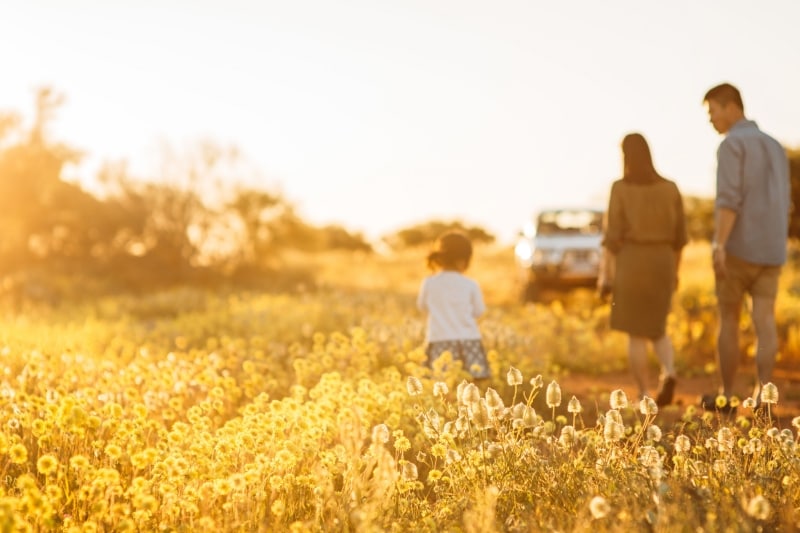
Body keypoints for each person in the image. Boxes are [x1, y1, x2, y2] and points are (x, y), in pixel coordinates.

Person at [702, 82, 791, 409]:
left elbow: (729, 201)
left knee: (728, 318)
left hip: (739, 249)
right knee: (764, 320)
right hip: (771, 249)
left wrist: (719, 245)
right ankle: (763, 396)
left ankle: (727, 394)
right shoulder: (774, 146)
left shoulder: (731, 145)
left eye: (713, 111)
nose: (711, 120)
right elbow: (786, 201)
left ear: (730, 107)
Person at [598, 133, 688, 406]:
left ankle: (644, 395)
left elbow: (611, 237)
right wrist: (674, 271)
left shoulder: (620, 188)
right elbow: (680, 238)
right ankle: (669, 372)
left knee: (636, 333)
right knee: (657, 328)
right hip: (662, 260)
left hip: (632, 261)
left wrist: (605, 276)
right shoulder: (671, 188)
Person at [417, 230, 491, 381]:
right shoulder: (470, 284)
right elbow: (479, 311)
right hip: (468, 341)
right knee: (471, 386)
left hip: (438, 340)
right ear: (464, 260)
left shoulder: (429, 283)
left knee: (442, 388)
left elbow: (422, 306)